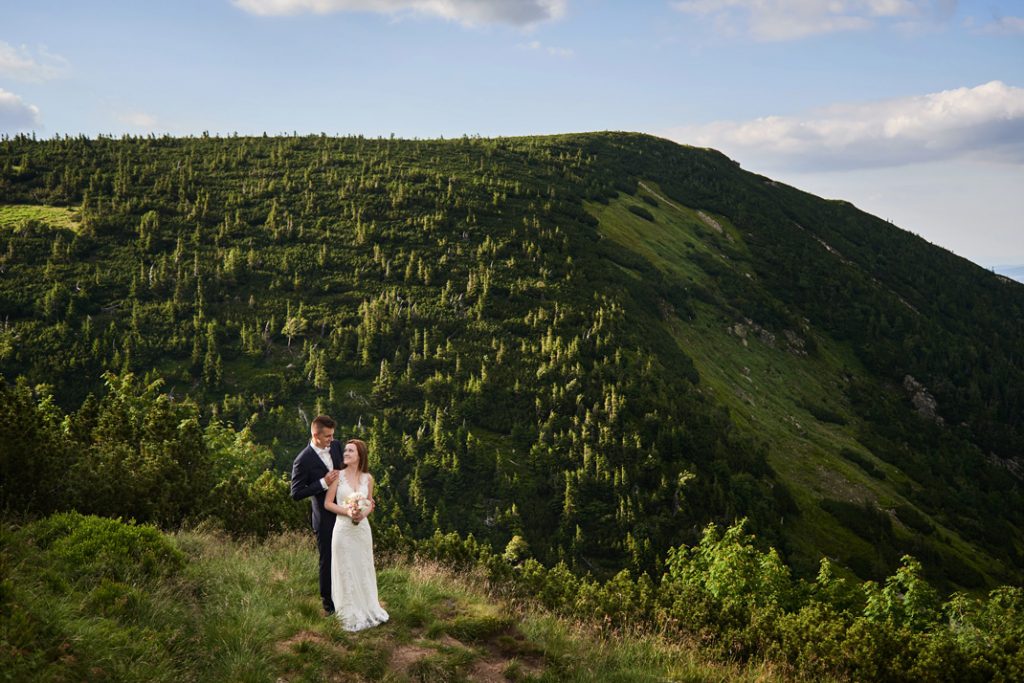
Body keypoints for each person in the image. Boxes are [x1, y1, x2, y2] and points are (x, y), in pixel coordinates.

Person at [324, 438, 389, 631]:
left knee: (363, 567)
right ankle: (347, 611)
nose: (346, 453)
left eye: (351, 451)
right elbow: (328, 503)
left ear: (360, 455)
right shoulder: (337, 476)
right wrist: (348, 512)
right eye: (345, 450)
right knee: (345, 568)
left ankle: (368, 606)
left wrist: (362, 514)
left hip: (361, 530)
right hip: (343, 529)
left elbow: (370, 503)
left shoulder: (368, 478)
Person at [290, 415, 344, 615]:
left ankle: (345, 595)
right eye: (328, 436)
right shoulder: (302, 460)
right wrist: (322, 483)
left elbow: (345, 470)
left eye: (332, 435)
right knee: (327, 559)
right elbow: (296, 493)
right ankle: (329, 605)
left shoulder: (337, 446)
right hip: (324, 518)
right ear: (315, 435)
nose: (332, 439)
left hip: (345, 511)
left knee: (344, 556)